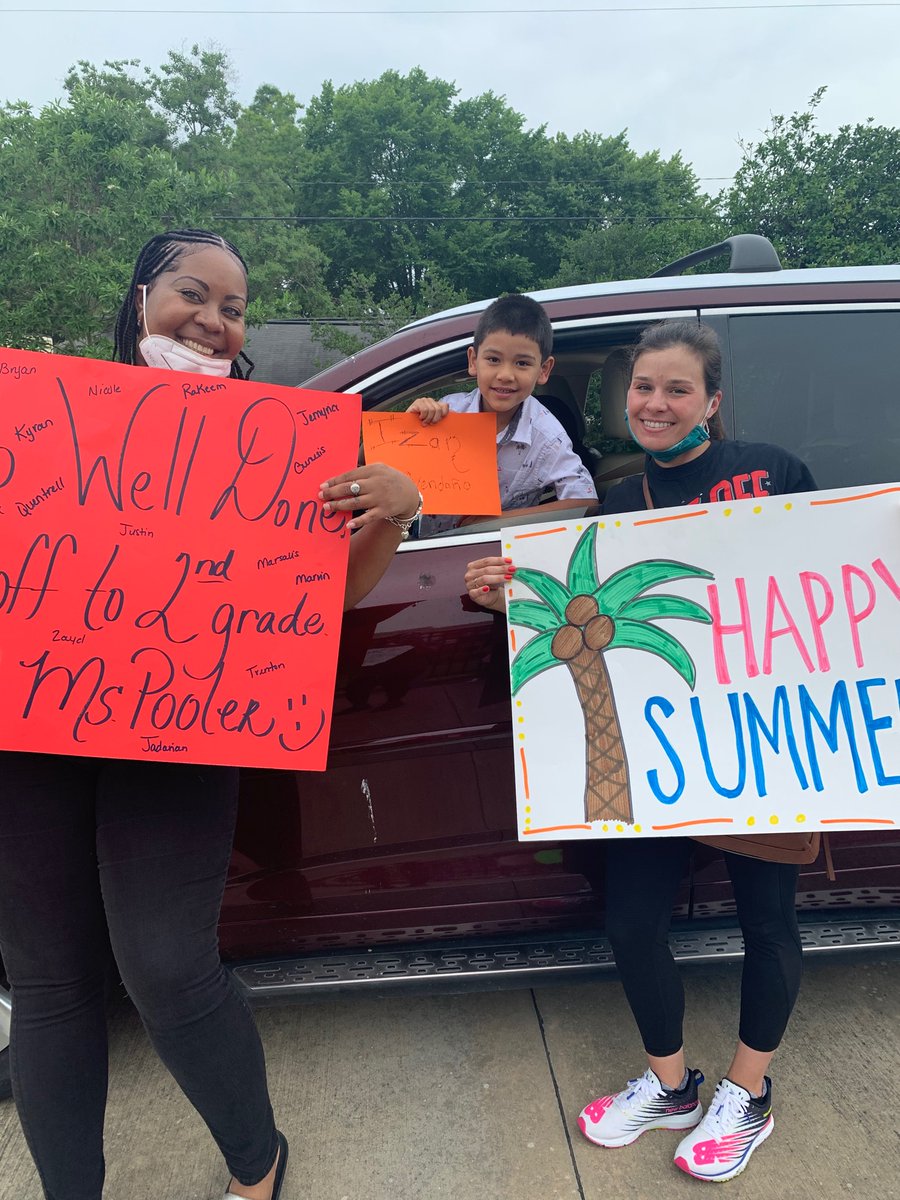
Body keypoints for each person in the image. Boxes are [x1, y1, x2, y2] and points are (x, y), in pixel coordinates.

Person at [0, 228, 421, 1200]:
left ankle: (257, 1159)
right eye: (195, 293)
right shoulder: (46, 415)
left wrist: (395, 512)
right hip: (33, 730)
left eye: (234, 309)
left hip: (177, 729)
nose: (214, 319)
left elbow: (330, 597)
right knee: (50, 984)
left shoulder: (272, 448)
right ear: (142, 295)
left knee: (165, 968)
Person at [464, 319, 817, 1183]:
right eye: (643, 389)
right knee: (630, 923)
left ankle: (748, 1095)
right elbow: (592, 625)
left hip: (758, 740)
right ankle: (672, 1087)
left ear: (712, 401)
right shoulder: (619, 501)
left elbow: (824, 585)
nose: (656, 404)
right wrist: (500, 601)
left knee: (767, 921)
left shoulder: (775, 471)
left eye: (677, 389)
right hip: (661, 750)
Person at [406, 293, 597, 533]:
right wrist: (408, 425)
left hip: (503, 559)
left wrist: (497, 521)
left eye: (522, 363)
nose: (506, 374)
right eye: (494, 359)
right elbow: (369, 465)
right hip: (429, 550)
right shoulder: (446, 413)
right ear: (474, 361)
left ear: (543, 370)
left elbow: (586, 503)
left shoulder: (547, 436)